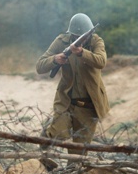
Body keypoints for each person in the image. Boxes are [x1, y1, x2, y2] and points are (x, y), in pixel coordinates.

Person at [36, 13, 109, 155]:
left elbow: (101, 61)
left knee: (78, 153)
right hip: (66, 102)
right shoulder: (61, 41)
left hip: (88, 106)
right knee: (54, 134)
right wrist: (55, 60)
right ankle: (42, 160)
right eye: (76, 36)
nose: (80, 39)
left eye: (85, 36)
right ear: (71, 34)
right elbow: (40, 66)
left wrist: (82, 53)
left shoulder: (96, 42)